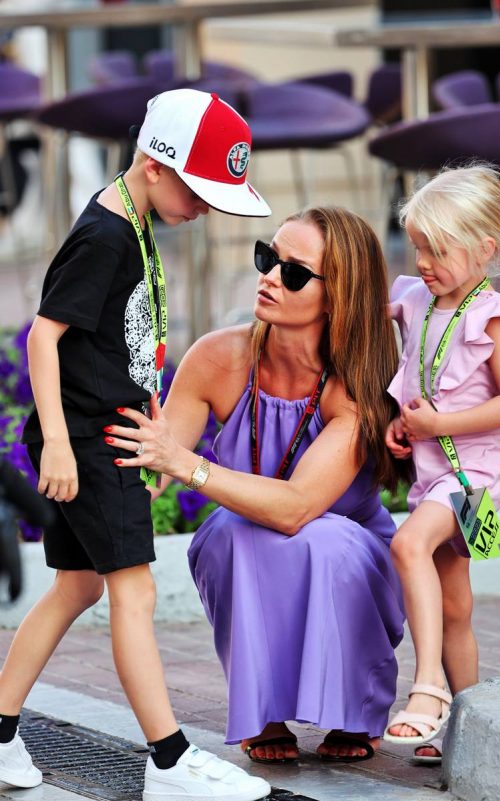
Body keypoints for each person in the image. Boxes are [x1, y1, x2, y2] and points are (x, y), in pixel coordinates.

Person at [0, 88, 272, 801]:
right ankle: (170, 759)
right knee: (134, 590)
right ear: (156, 166)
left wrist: (151, 414)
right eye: (199, 188)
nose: (207, 206)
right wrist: (57, 441)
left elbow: (117, 339)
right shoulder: (107, 235)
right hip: (90, 439)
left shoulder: (132, 217)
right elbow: (43, 337)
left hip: (111, 428)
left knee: (78, 585)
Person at [103, 206, 406, 765]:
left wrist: (186, 465)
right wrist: (100, 513)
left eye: (293, 272)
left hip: (349, 557)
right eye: (268, 257)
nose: (268, 276)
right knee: (227, 533)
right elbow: (152, 466)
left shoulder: (355, 389)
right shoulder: (218, 358)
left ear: (339, 294)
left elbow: (296, 509)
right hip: (254, 543)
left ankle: (356, 708)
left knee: (323, 538)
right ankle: (263, 711)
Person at [383, 164, 500, 763]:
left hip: (475, 476)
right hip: (433, 472)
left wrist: (437, 425)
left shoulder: (492, 315)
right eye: (417, 245)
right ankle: (466, 731)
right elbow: (420, 374)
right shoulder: (416, 298)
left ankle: (428, 691)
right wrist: (405, 423)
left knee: (407, 547)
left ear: (484, 249)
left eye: (437, 249)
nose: (423, 260)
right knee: (457, 605)